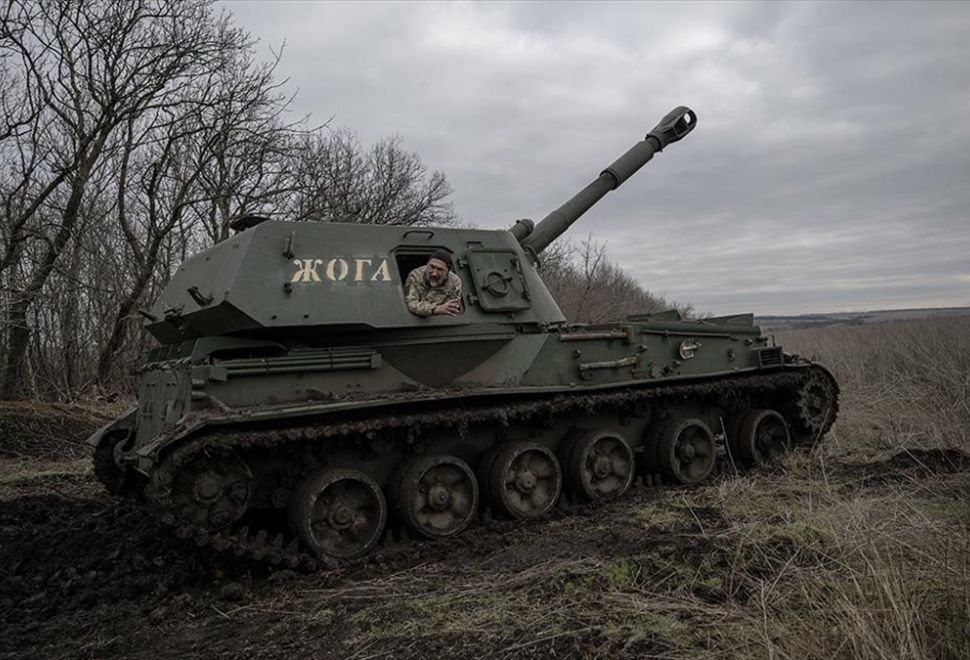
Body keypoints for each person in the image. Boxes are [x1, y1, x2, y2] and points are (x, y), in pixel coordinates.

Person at [405, 250, 463, 317]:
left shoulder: (454, 281)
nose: (434, 274)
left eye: (440, 269)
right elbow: (411, 304)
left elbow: (450, 309)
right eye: (432, 267)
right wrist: (434, 309)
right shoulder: (415, 275)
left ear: (447, 271)